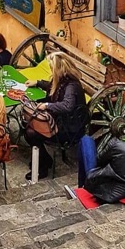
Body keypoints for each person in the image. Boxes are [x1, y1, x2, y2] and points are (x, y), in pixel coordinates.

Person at [23, 52, 88, 180]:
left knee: (31, 133)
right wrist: (37, 83)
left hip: (68, 128)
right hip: (61, 120)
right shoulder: (63, 79)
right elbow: (52, 86)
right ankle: (44, 159)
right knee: (28, 125)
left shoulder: (71, 86)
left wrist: (47, 105)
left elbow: (67, 106)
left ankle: (42, 167)